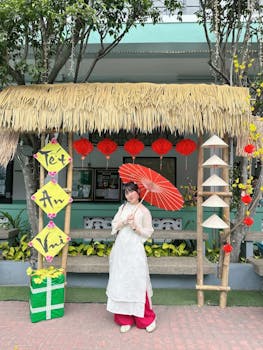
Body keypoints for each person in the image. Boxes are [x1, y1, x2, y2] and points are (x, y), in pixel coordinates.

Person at [106, 181, 156, 333]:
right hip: (121, 249)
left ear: (138, 192)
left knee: (137, 281)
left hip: (135, 249)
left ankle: (145, 319)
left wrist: (137, 228)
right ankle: (124, 319)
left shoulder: (144, 211)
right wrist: (123, 222)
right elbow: (114, 226)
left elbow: (149, 232)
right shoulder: (122, 208)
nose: (129, 195)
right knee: (121, 281)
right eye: (126, 193)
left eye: (131, 192)